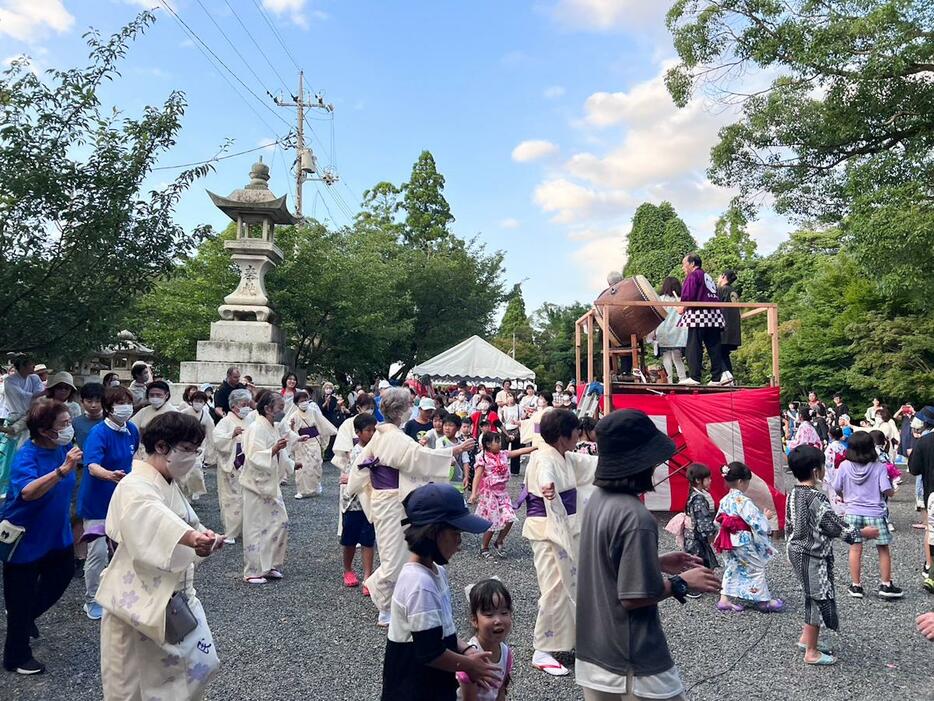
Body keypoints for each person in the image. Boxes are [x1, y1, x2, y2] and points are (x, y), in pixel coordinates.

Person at [575, 409, 721, 700]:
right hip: (632, 661)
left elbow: (606, 565)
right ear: (639, 463)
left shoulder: (598, 501)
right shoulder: (636, 517)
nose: (657, 467)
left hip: (594, 652)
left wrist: (654, 563)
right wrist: (682, 582)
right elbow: (633, 598)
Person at [98, 412, 222, 699]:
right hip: (136, 600)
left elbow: (185, 523)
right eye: (188, 450)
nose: (192, 457)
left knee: (200, 665)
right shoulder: (134, 485)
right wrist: (192, 539)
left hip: (173, 596)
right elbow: (151, 518)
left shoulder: (167, 483)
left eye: (195, 450)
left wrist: (205, 536)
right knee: (130, 683)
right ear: (163, 447)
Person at [347, 387, 474, 627]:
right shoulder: (393, 436)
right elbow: (420, 458)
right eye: (408, 406)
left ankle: (394, 603)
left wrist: (356, 483)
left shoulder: (384, 434)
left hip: (392, 499)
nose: (410, 410)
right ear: (402, 410)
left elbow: (363, 466)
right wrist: (454, 450)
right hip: (391, 500)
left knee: (399, 552)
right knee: (394, 557)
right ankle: (382, 601)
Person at [380, 482, 499, 701]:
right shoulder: (419, 583)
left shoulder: (436, 572)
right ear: (433, 533)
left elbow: (442, 633)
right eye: (456, 534)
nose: (459, 544)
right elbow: (430, 651)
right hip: (413, 689)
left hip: (433, 686)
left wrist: (465, 650)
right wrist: (471, 666)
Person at [1, 399, 81, 675]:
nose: (70, 428)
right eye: (64, 424)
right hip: (25, 539)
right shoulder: (28, 455)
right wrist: (61, 471)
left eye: (70, 422)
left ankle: (24, 617)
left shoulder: (62, 450)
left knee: (61, 577)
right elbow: (27, 492)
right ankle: (16, 657)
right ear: (45, 430)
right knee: (19, 598)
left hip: (57, 535)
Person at [518, 409, 598, 677]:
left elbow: (593, 466)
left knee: (570, 587)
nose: (579, 434)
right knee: (554, 587)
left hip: (564, 528)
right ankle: (542, 648)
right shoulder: (543, 458)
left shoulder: (565, 456)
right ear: (564, 436)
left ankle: (568, 640)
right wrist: (548, 488)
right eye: (575, 431)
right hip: (547, 531)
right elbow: (545, 478)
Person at [785, 445, 879, 666]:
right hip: (811, 554)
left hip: (796, 549)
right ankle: (811, 652)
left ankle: (806, 639)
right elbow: (832, 525)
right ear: (816, 471)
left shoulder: (794, 493)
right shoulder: (815, 497)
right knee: (818, 597)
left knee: (812, 593)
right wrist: (861, 534)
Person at [78, 386, 140, 621]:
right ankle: (92, 598)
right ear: (108, 408)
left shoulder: (131, 430)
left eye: (128, 402)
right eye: (120, 403)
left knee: (123, 549)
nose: (126, 407)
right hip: (97, 501)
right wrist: (110, 475)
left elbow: (133, 459)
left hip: (121, 500)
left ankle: (118, 592)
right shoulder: (98, 433)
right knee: (98, 551)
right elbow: (92, 465)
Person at [832, 431, 903, 599]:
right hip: (875, 513)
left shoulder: (844, 466)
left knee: (855, 548)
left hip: (853, 512)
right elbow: (885, 489)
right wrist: (893, 492)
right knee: (883, 548)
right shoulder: (878, 466)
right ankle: (886, 584)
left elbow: (836, 486)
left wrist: (844, 497)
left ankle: (856, 586)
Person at [240, 391, 295, 584]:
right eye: (279, 407)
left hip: (270, 483)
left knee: (280, 522)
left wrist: (291, 465)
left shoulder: (274, 427)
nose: (282, 411)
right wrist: (273, 450)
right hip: (255, 484)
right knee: (255, 526)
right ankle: (253, 570)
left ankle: (269, 564)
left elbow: (282, 451)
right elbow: (252, 455)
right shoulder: (256, 427)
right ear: (268, 409)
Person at [714, 462, 783, 612]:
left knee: (733, 566)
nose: (747, 485)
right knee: (756, 567)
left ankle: (724, 599)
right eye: (747, 482)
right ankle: (763, 601)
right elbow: (756, 522)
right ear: (740, 482)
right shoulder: (743, 501)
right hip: (741, 539)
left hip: (728, 539)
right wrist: (765, 518)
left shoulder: (724, 500)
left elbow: (717, 520)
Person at [470, 431, 533, 559]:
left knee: (510, 518)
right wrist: (473, 493)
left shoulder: (503, 454)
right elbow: (477, 476)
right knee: (493, 522)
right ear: (488, 444)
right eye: (497, 441)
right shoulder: (483, 457)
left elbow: (520, 451)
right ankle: (484, 547)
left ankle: (499, 540)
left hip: (502, 493)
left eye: (500, 441)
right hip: (490, 495)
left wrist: (536, 447)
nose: (500, 444)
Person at [456, 578, 514, 701]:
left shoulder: (505, 652)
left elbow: (500, 691)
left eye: (504, 612)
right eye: (489, 615)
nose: (498, 620)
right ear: (474, 621)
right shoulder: (471, 657)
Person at [677, 253, 729, 386]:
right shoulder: (707, 276)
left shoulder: (693, 275)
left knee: (694, 345)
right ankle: (717, 378)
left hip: (699, 314)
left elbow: (689, 295)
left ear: (692, 264)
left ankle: (695, 377)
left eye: (685, 264)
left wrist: (682, 307)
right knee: (714, 346)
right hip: (714, 314)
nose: (683, 267)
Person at [340, 412, 377, 592]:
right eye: (368, 430)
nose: (371, 434)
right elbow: (354, 477)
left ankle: (368, 576)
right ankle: (348, 569)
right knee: (350, 539)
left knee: (368, 539)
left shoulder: (377, 449)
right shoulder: (355, 452)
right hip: (353, 502)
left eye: (373, 430)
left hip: (370, 501)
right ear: (358, 432)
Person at [213, 388, 251, 545]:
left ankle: (244, 529)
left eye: (248, 404)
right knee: (231, 498)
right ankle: (230, 531)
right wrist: (231, 435)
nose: (246, 407)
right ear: (234, 405)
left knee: (246, 497)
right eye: (244, 404)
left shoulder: (249, 420)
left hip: (246, 463)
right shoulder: (226, 421)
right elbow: (217, 440)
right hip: (232, 464)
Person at [290, 389, 338, 498]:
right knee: (303, 467)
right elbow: (290, 432)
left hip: (314, 441)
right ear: (297, 403)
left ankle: (315, 487)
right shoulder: (294, 415)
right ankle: (301, 490)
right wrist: (292, 427)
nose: (304, 402)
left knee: (315, 465)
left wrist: (333, 431)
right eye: (301, 401)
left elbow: (322, 423)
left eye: (306, 400)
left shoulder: (313, 411)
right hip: (301, 442)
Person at [909, 406, 934, 579]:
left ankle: (930, 566)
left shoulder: (924, 441)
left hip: (932, 492)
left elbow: (914, 469)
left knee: (931, 531)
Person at [178, 390, 213, 501]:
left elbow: (211, 431)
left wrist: (210, 451)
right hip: (184, 446)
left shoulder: (205, 415)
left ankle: (195, 490)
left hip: (199, 447)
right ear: (191, 401)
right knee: (183, 472)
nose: (198, 403)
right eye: (196, 400)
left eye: (201, 401)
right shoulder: (184, 413)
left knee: (196, 470)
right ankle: (184, 494)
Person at [653, 277, 688, 384]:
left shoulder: (660, 299)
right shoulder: (681, 299)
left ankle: (669, 381)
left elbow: (656, 316)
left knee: (666, 357)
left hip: (664, 331)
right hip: (678, 332)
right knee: (677, 357)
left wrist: (653, 332)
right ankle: (683, 379)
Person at [683, 463, 718, 571]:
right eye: (707, 478)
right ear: (698, 480)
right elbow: (704, 523)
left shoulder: (693, 494)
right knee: (700, 568)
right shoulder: (699, 498)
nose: (710, 481)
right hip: (697, 541)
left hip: (691, 538)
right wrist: (715, 530)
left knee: (693, 566)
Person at [130, 380, 177, 457]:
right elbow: (132, 427)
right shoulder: (144, 411)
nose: (155, 397)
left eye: (158, 395)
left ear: (166, 395)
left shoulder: (174, 413)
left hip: (165, 454)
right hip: (143, 453)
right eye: (152, 395)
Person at [717, 270, 741, 382]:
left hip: (723, 326)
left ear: (723, 276)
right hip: (734, 327)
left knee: (716, 350)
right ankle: (729, 378)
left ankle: (726, 375)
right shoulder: (734, 291)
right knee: (724, 353)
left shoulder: (722, 290)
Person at [438, 414, 471, 497]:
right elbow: (441, 454)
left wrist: (466, 477)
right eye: (445, 425)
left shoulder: (461, 443)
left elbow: (465, 461)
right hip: (443, 480)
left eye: (451, 425)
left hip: (458, 480)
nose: (447, 428)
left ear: (458, 428)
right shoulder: (441, 441)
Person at [822, 426, 847, 516]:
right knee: (842, 493)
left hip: (832, 473)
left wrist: (826, 476)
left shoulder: (830, 448)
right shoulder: (843, 448)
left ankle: (839, 514)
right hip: (842, 473)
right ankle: (844, 512)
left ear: (830, 435)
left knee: (833, 494)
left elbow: (827, 464)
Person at [73, 382, 105, 449]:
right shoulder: (76, 422)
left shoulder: (109, 421)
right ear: (82, 401)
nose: (93, 405)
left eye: (98, 401)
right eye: (89, 401)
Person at [498, 392, 522, 475]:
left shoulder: (518, 407)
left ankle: (515, 470)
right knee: (503, 450)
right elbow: (502, 421)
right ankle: (502, 469)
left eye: (511, 396)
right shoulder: (503, 408)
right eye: (507, 396)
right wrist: (502, 414)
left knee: (515, 450)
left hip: (516, 429)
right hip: (505, 429)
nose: (509, 398)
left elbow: (522, 417)